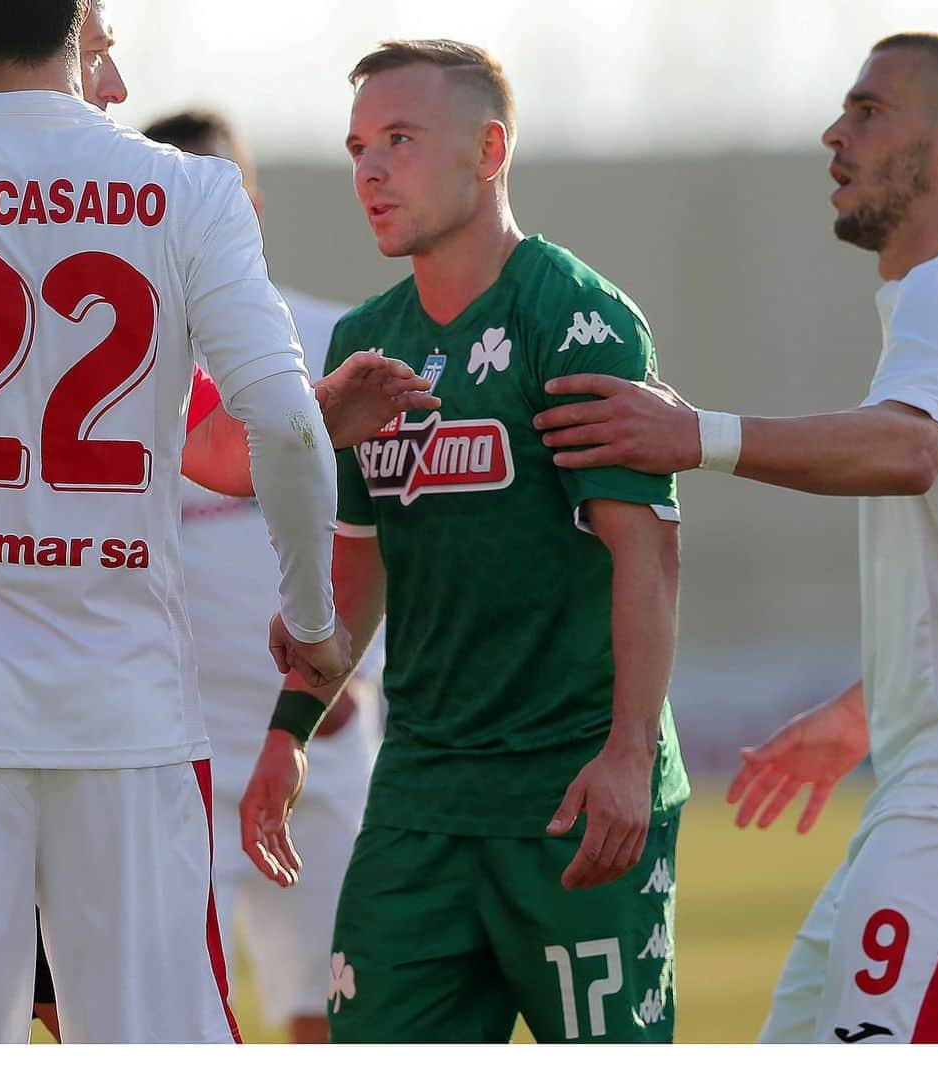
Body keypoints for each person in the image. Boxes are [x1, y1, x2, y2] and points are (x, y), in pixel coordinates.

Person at [0, 0, 358, 1043]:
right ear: (83, 23)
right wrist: (313, 620)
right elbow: (286, 428)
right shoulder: (189, 189)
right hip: (128, 706)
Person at [534, 32, 938, 1043]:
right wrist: (868, 706)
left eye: (870, 111)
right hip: (923, 794)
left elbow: (909, 450)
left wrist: (694, 435)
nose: (837, 131)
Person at [241, 39, 689, 1044]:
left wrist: (626, 757)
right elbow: (357, 569)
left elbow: (646, 554)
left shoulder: (575, 319)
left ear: (488, 149)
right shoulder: (371, 339)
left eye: (400, 138)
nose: (370, 168)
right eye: (357, 145)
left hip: (573, 792)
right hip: (421, 799)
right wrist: (287, 733)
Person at [143, 107, 382, 1045]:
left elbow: (389, 521)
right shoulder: (123, 359)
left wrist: (352, 659)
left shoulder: (336, 340)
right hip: (171, 747)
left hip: (324, 732)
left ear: (253, 206)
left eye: (222, 199)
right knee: (180, 1018)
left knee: (336, 1015)